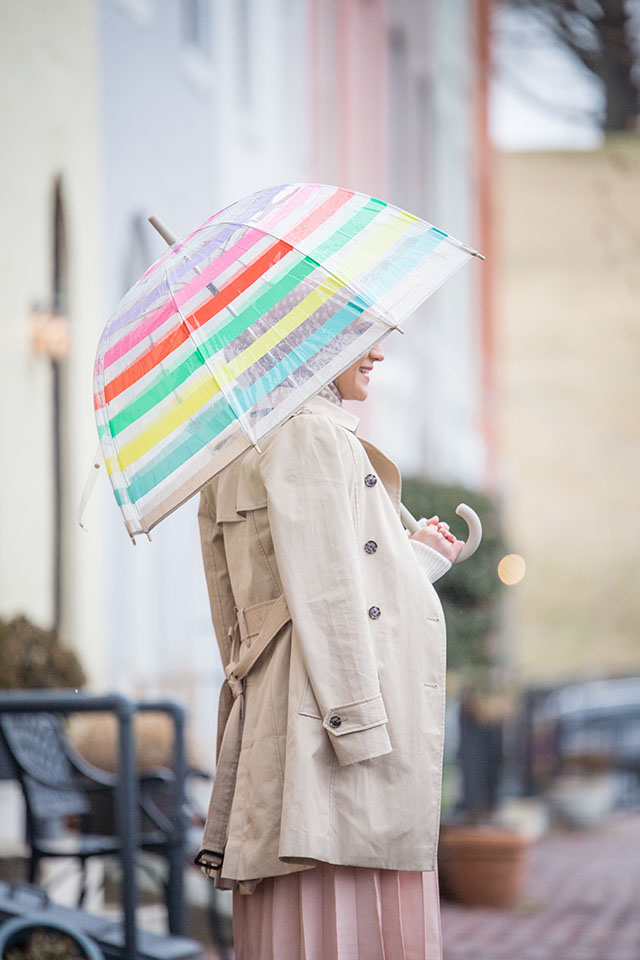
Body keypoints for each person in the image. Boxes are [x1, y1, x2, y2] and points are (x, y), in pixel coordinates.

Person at [197, 343, 464, 960]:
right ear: (307, 341)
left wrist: (410, 551)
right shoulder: (313, 436)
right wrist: (364, 734)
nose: (377, 351)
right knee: (346, 920)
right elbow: (331, 597)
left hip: (280, 719)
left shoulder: (232, 448)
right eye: (357, 334)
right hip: (334, 734)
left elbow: (233, 613)